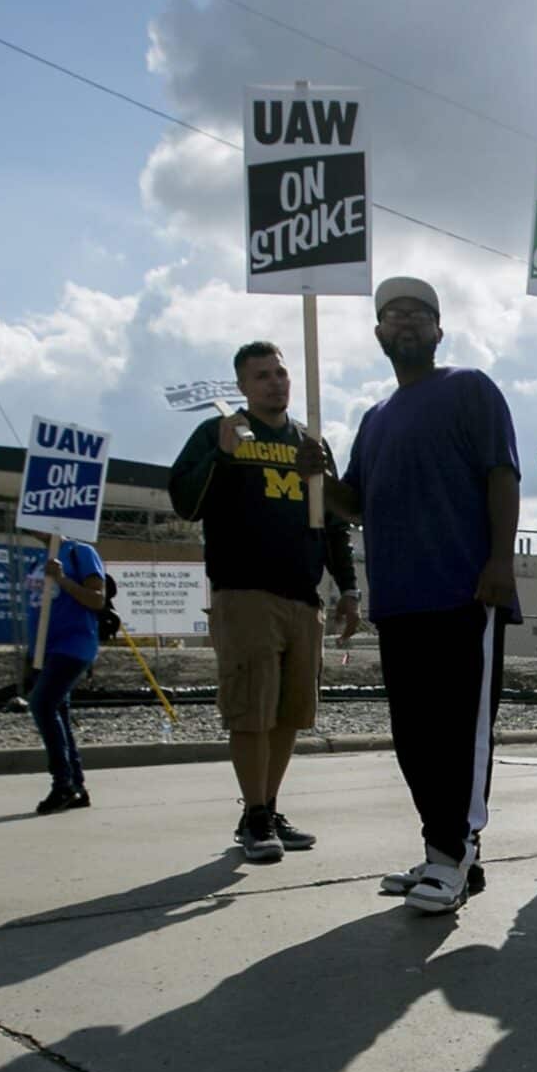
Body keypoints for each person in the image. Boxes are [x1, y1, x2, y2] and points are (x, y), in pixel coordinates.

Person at [318, 276, 520, 915]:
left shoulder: (469, 389)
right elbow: (351, 503)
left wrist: (499, 561)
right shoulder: (375, 419)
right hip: (400, 601)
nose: (403, 323)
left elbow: (501, 474)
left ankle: (453, 855)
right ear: (378, 334)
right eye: (391, 315)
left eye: (417, 314)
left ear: (439, 329)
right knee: (415, 738)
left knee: (460, 734)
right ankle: (444, 852)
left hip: (463, 590)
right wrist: (315, 478)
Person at [170, 340, 361, 863]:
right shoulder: (220, 434)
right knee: (250, 710)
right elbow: (187, 503)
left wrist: (347, 589)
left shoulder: (309, 442)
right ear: (242, 386)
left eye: (280, 373)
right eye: (262, 376)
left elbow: (335, 524)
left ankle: (267, 806)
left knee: (289, 714)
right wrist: (221, 457)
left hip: (303, 597)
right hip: (245, 592)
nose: (275, 382)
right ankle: (254, 815)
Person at [25, 539, 109, 815]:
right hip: (45, 649)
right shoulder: (39, 557)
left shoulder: (79, 552)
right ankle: (77, 786)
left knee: (42, 704)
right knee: (58, 709)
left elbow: (97, 598)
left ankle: (63, 783)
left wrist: (62, 579)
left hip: (74, 646)